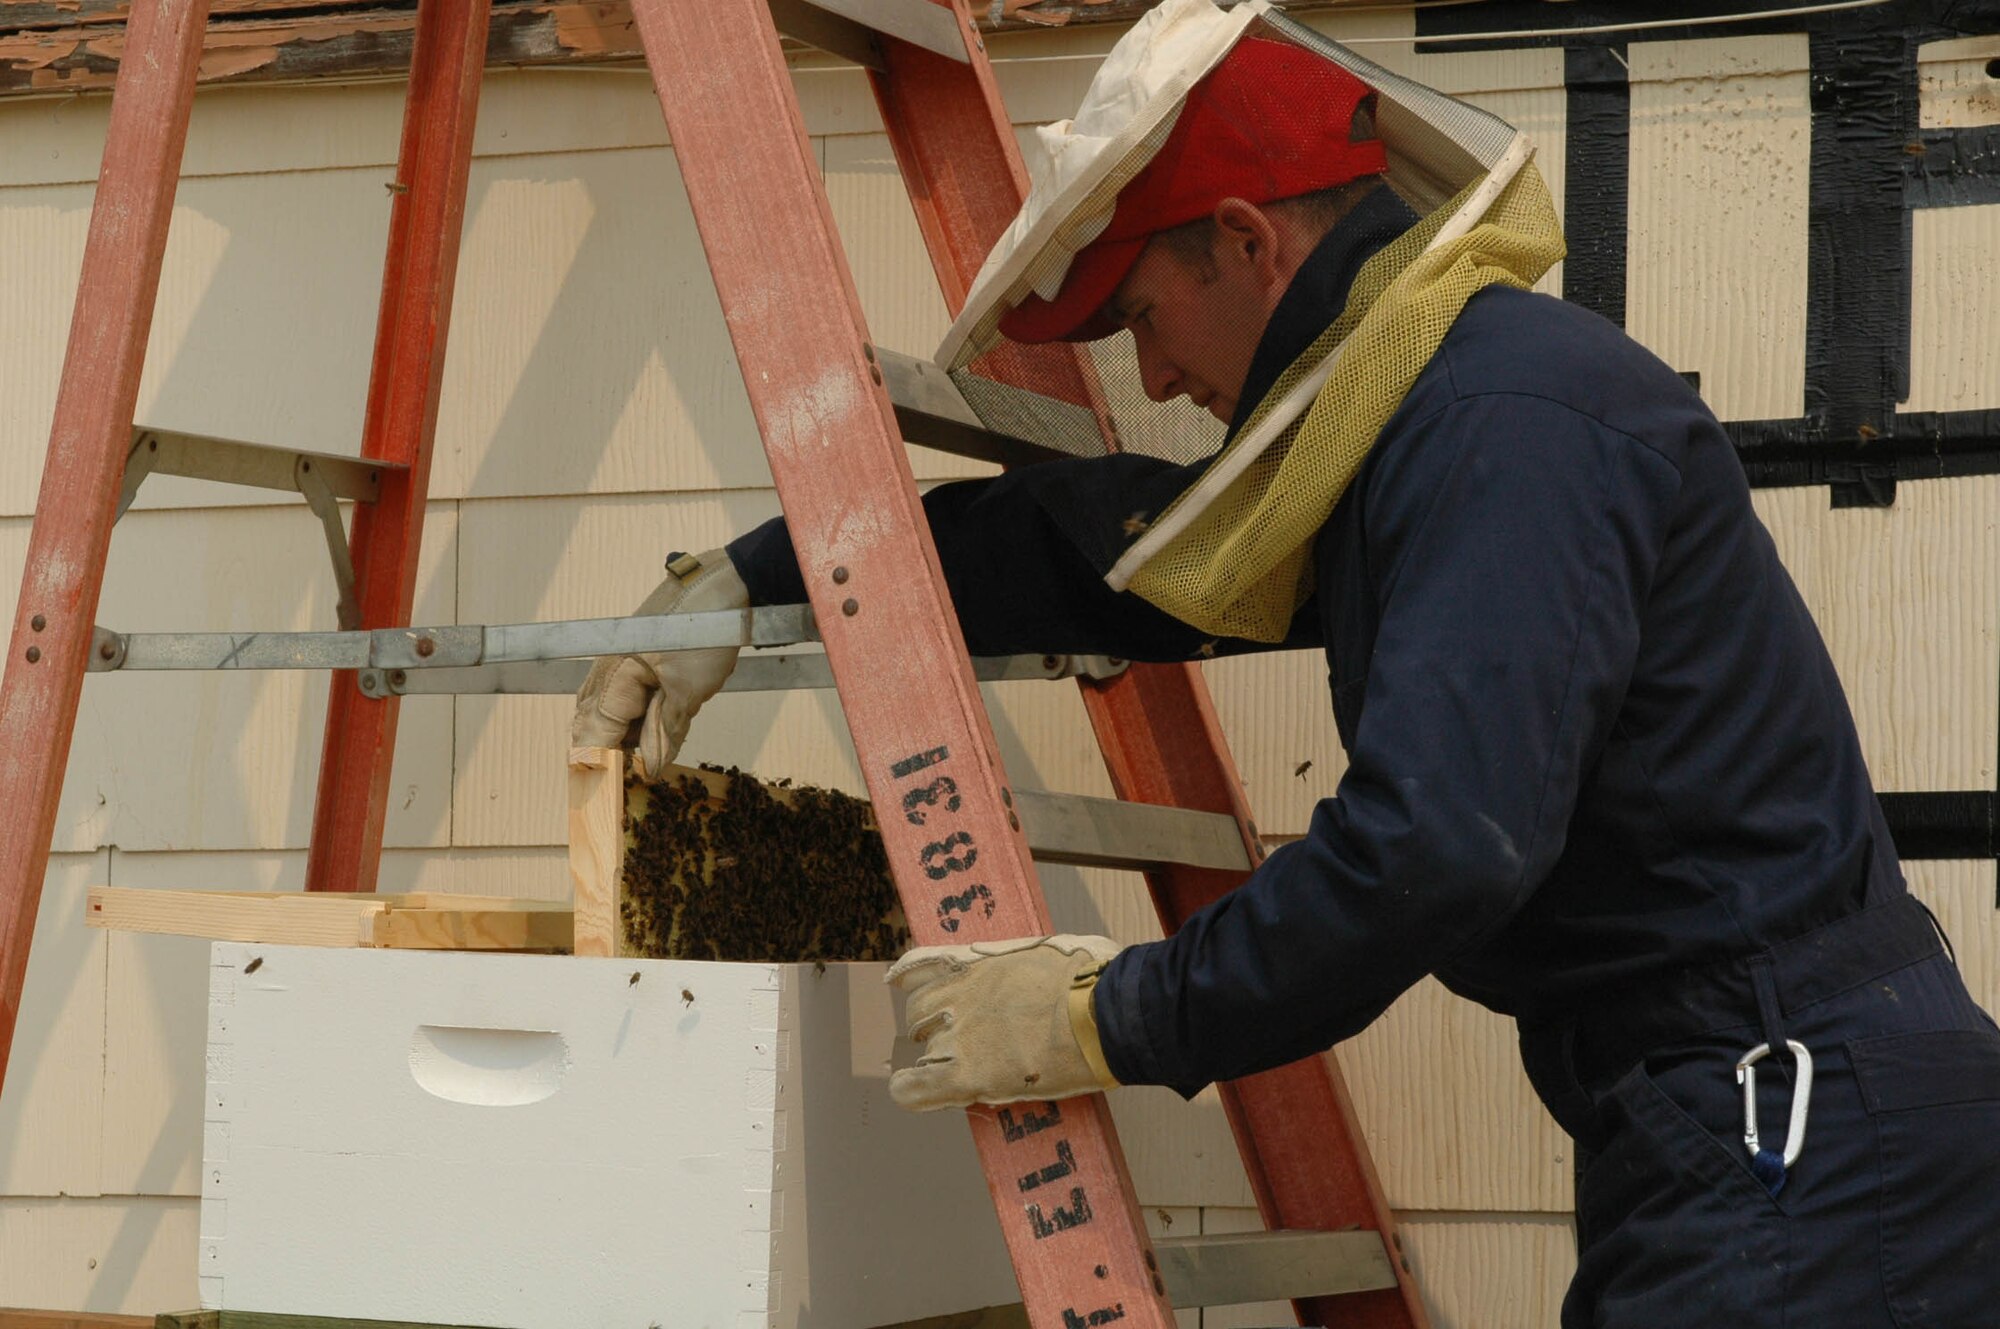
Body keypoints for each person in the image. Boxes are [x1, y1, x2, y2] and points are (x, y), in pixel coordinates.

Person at [572, 2, 2000, 1323]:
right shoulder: (1426, 412)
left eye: (1142, 318)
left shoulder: (1499, 425)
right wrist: (767, 577)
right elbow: (1128, 551)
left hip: (1793, 1131)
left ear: (1248, 239)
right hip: (1763, 1118)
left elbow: (1435, 847)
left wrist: (1102, 1014)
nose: (1159, 376)